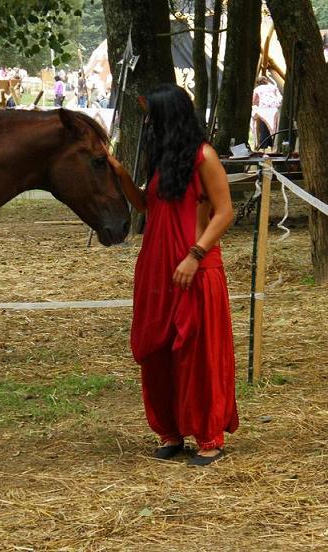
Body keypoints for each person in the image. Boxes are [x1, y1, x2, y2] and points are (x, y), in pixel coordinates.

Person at [106, 83, 239, 466]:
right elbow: (147, 205)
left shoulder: (204, 156)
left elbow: (224, 212)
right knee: (159, 351)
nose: (148, 124)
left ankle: (209, 437)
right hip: (157, 266)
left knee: (197, 352)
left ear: (171, 117)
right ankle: (171, 431)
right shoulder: (166, 159)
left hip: (193, 265)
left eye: (153, 116)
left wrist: (195, 255)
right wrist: (120, 174)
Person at [252, 75, 282, 150]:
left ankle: (263, 146)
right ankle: (273, 145)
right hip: (274, 109)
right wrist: (276, 104)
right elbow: (280, 97)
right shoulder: (273, 87)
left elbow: (254, 101)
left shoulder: (257, 89)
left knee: (263, 126)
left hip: (263, 110)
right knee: (274, 128)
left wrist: (257, 103)